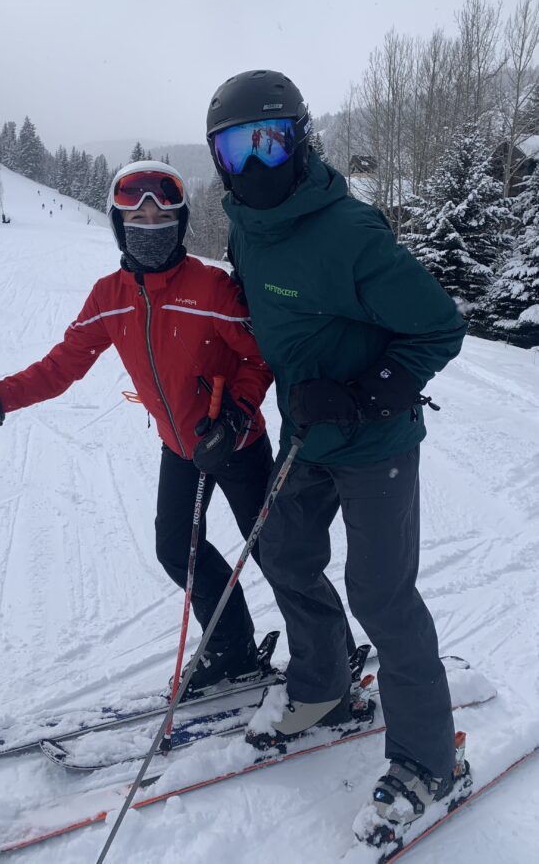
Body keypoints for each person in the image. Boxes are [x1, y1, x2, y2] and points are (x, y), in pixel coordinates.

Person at [205, 70, 470, 844]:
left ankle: (430, 761)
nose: (256, 164)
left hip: (375, 440)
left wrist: (362, 393)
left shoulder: (350, 232)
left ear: (300, 139)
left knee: (381, 595)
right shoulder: (246, 232)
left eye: (269, 142)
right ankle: (323, 687)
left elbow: (440, 327)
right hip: (306, 437)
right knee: (284, 551)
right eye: (236, 149)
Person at [0, 161, 279, 692]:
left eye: (162, 220)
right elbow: (59, 368)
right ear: (119, 225)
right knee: (177, 550)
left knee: (276, 552)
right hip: (180, 448)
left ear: (181, 224)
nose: (149, 228)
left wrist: (235, 413)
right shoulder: (109, 297)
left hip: (236, 443)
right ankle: (233, 651)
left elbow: (260, 357)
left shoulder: (211, 289)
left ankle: (330, 655)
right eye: (136, 220)